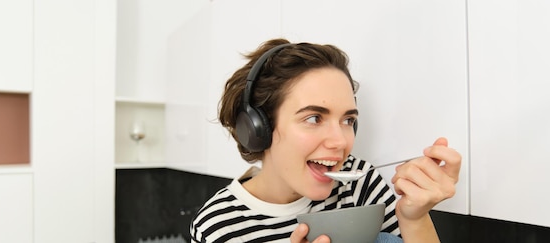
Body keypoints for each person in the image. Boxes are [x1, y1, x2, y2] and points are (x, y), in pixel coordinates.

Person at [190, 38, 461, 243]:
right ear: (259, 128)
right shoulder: (218, 226)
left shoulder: (361, 187)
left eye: (347, 120)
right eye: (314, 118)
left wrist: (415, 219)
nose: (340, 142)